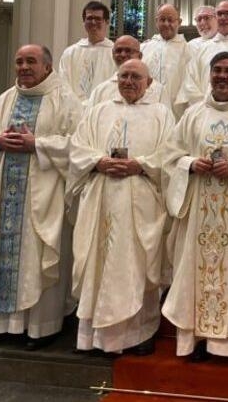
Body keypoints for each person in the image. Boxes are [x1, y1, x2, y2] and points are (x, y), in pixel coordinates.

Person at [0, 44, 81, 349]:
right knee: (0, 253)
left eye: (30, 61)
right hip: (5, 196)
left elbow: (79, 144)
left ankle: (40, 327)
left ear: (47, 66)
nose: (23, 67)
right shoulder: (8, 97)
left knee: (37, 257)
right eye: (19, 61)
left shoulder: (65, 99)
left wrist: (39, 144)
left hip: (43, 197)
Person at [68, 59, 175, 355]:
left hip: (139, 200)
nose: (129, 81)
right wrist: (98, 161)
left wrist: (139, 164)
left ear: (149, 83)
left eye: (136, 77)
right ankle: (92, 337)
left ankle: (138, 334)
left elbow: (171, 153)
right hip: (101, 196)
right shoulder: (99, 110)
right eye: (124, 76)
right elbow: (78, 147)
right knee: (97, 264)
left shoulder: (161, 114)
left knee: (136, 264)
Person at [162, 52, 228, 362]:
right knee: (193, 270)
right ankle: (195, 340)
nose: (222, 76)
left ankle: (226, 344)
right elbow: (170, 157)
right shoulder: (193, 114)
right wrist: (191, 164)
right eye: (217, 70)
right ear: (209, 74)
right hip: (198, 210)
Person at [176, 0, 228, 112]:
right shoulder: (202, 49)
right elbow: (189, 82)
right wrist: (205, 105)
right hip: (205, 109)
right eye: (219, 14)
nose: (223, 18)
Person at [87, 35, 170, 109]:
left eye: (128, 51)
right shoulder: (101, 91)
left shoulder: (159, 91)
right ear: (113, 55)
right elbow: (88, 123)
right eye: (119, 51)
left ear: (140, 56)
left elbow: (167, 122)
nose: (123, 54)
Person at [58, 1, 117, 101]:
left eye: (98, 19)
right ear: (84, 21)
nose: (93, 22)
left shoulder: (115, 53)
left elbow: (116, 85)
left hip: (103, 109)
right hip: (74, 111)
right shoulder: (70, 53)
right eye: (89, 18)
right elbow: (63, 83)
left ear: (107, 22)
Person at [140, 3, 191, 118]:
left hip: (175, 110)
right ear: (156, 21)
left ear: (179, 22)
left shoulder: (188, 50)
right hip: (146, 107)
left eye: (170, 20)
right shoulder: (144, 48)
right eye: (162, 20)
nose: (166, 24)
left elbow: (190, 83)